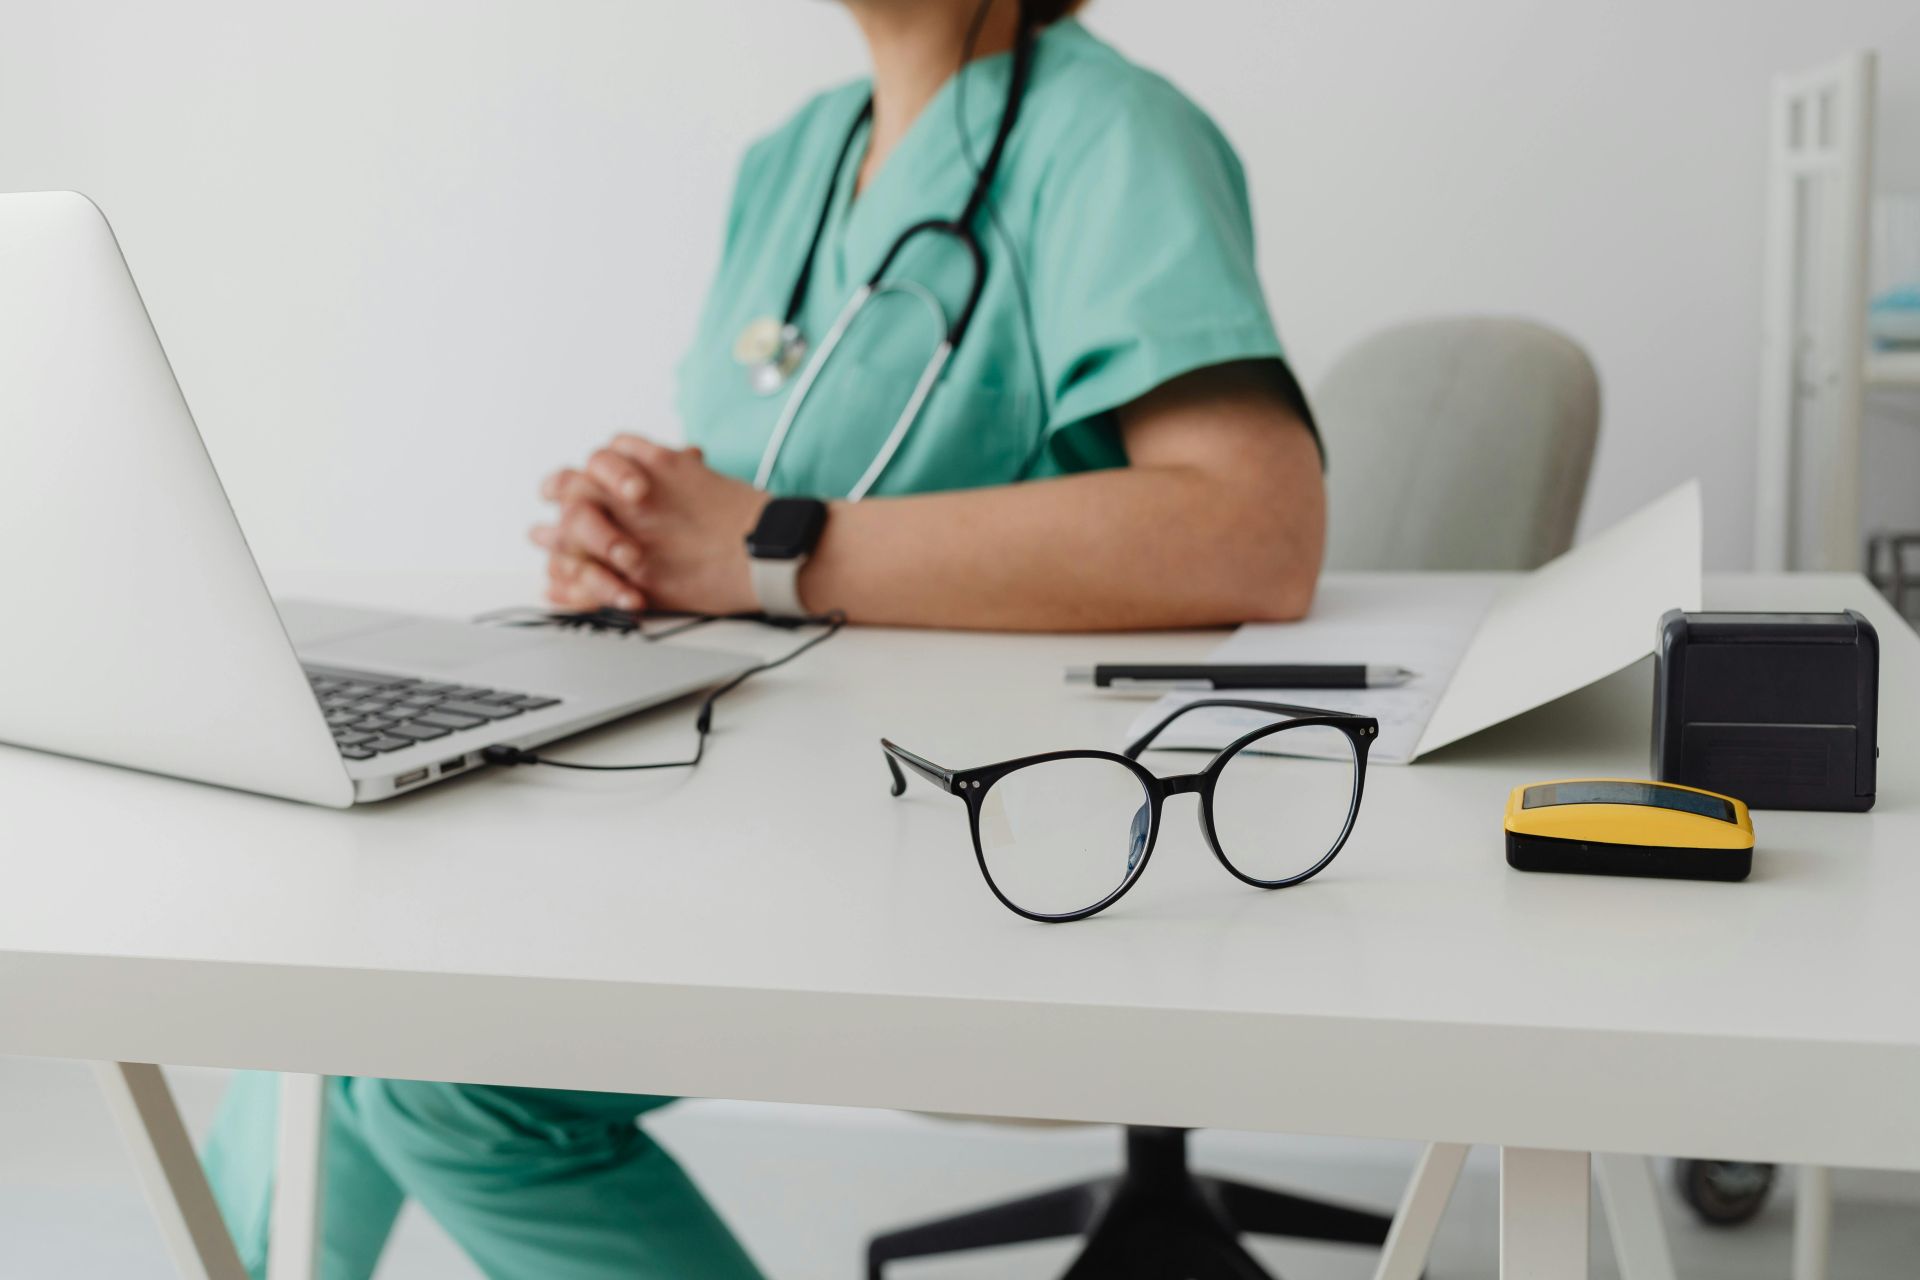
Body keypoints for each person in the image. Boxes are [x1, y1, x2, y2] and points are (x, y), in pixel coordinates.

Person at [203, 1, 1326, 1276]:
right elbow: (765, 502)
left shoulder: (1117, 135)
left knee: (445, 1081)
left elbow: (1252, 534)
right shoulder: (795, 158)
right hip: (781, 790)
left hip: (997, 838)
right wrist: (642, 547)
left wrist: (760, 544)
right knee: (358, 977)